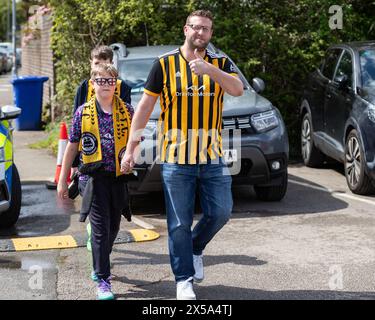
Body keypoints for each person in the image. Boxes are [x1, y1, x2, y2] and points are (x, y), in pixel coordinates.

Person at [121, 9, 243, 300]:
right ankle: (183, 279)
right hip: (176, 158)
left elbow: (237, 89)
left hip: (212, 155)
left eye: (207, 29)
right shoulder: (164, 65)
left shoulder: (220, 62)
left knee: (221, 212)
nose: (201, 33)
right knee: (178, 223)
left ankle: (195, 248)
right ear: (185, 29)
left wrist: (210, 70)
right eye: (196, 27)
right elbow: (144, 110)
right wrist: (131, 148)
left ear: (211, 34)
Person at [58, 63, 133, 300]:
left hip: (117, 177)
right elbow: (72, 146)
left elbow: (135, 141)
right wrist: (62, 179)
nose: (106, 85)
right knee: (100, 230)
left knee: (113, 228)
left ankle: (100, 261)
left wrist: (133, 157)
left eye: (110, 81)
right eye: (100, 81)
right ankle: (103, 280)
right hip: (91, 178)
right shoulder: (83, 112)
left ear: (116, 84)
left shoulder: (128, 111)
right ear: (92, 84)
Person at [72, 45, 133, 252]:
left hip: (114, 156)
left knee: (112, 219)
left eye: (106, 64)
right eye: (97, 63)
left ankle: (101, 248)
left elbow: (127, 120)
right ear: (91, 63)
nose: (101, 67)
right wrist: (73, 164)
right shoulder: (84, 87)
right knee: (98, 213)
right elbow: (75, 127)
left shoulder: (121, 87)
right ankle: (101, 258)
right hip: (89, 156)